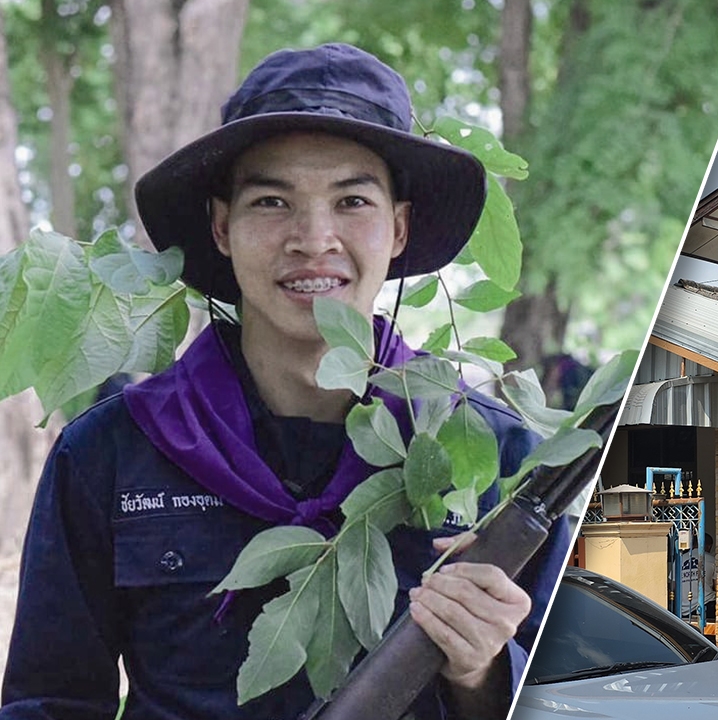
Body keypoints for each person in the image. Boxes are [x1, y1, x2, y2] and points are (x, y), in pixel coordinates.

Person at [1, 44, 570, 720]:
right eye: (272, 201)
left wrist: (483, 672)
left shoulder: (499, 465)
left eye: (352, 199)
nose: (313, 237)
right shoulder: (108, 455)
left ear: (398, 228)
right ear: (222, 227)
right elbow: (49, 704)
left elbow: (573, 698)